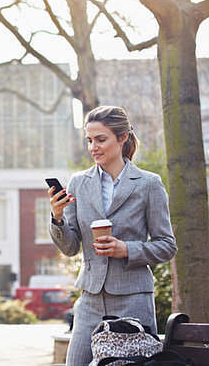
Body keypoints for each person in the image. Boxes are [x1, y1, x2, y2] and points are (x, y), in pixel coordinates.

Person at [48, 105, 177, 366]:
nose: (93, 147)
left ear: (122, 138)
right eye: (89, 140)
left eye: (100, 139)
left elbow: (167, 246)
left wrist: (126, 249)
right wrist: (57, 218)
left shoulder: (148, 184)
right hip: (91, 300)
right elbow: (71, 247)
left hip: (134, 300)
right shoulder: (79, 183)